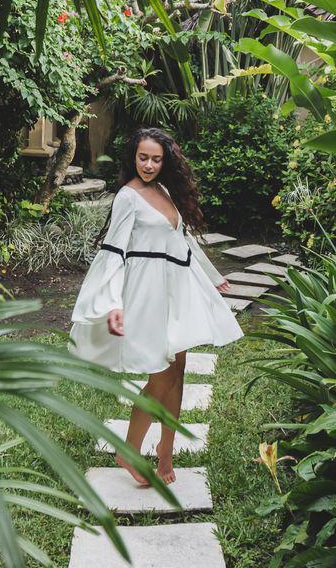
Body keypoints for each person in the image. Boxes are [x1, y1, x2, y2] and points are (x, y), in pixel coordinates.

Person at [69, 127, 243, 486]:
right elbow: (114, 252)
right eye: (142, 157)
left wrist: (210, 276)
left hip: (174, 289)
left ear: (166, 161)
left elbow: (181, 243)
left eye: (156, 159)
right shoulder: (127, 197)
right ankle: (128, 450)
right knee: (160, 374)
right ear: (133, 157)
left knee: (178, 369)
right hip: (146, 293)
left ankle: (166, 455)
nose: (148, 165)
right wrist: (113, 303)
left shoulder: (164, 190)